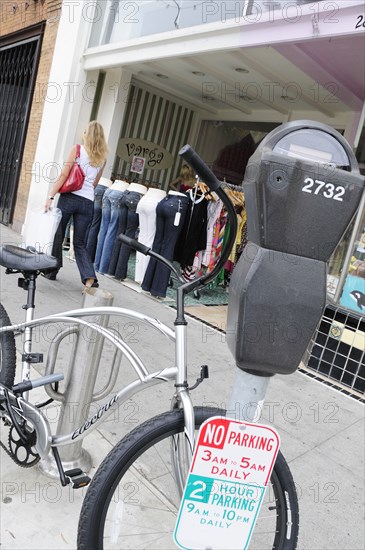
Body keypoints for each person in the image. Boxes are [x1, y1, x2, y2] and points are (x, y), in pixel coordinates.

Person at [44, 121, 108, 288]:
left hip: (69, 198)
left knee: (58, 234)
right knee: (79, 242)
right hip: (87, 202)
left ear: (87, 134)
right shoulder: (102, 158)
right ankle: (89, 278)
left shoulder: (77, 150)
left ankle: (51, 270)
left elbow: (64, 175)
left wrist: (50, 196)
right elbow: (94, 184)